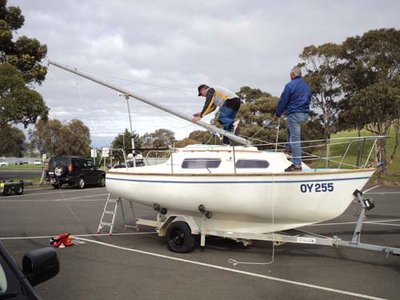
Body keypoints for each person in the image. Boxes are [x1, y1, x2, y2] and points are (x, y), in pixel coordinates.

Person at [275, 66, 312, 172]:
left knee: (295, 138)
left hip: (294, 113)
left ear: (292, 75)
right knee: (289, 129)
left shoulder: (290, 85)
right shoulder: (306, 86)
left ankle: (296, 165)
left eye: (290, 75)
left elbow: (283, 100)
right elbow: (308, 98)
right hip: (304, 114)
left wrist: (278, 113)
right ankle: (289, 150)